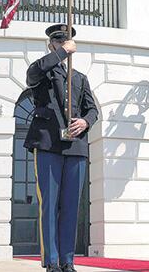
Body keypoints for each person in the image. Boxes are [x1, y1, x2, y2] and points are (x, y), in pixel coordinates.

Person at [24, 24, 99, 272]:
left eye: (65, 41)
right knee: (49, 203)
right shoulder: (40, 71)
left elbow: (92, 109)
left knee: (70, 206)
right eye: (57, 41)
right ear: (51, 45)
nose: (62, 43)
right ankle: (52, 261)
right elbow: (34, 73)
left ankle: (68, 261)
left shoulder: (80, 78)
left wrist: (85, 121)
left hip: (75, 146)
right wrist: (60, 53)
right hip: (47, 143)